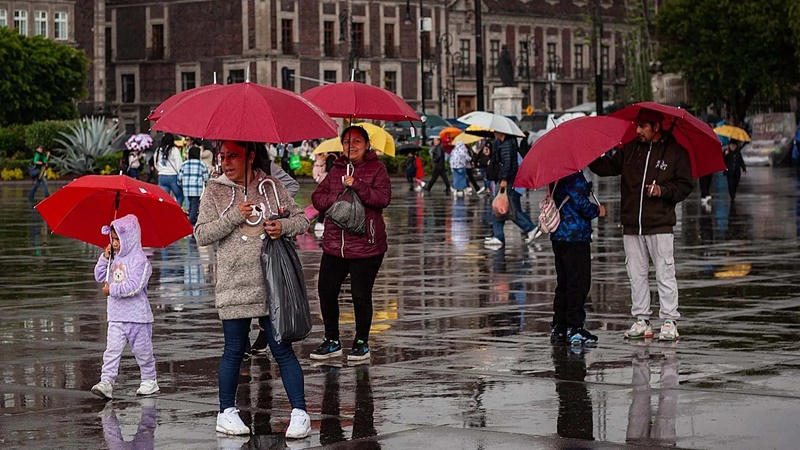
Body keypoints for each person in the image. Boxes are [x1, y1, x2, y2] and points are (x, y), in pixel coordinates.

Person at [194, 140, 311, 438]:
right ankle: (226, 412)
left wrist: (282, 227)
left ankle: (300, 412)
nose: (226, 162)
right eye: (222, 156)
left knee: (281, 348)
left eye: (233, 155)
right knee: (234, 349)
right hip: (234, 283)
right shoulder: (214, 190)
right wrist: (235, 215)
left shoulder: (271, 186)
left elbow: (301, 220)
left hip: (272, 282)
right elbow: (202, 234)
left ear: (250, 156)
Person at [589, 109, 693, 341]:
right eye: (637, 125)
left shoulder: (676, 153)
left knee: (665, 273)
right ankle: (641, 320)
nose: (638, 130)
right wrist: (590, 155)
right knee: (636, 275)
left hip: (660, 224)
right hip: (631, 225)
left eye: (643, 126)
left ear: (656, 127)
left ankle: (669, 320)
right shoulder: (630, 149)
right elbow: (608, 167)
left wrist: (662, 191)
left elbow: (685, 186)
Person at [310, 126, 392, 362]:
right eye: (346, 141)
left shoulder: (377, 168)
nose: (351, 145)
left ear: (367, 144)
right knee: (326, 292)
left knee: (360, 295)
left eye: (357, 141)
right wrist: (338, 198)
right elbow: (317, 198)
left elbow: (382, 199)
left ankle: (361, 342)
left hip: (367, 244)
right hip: (335, 244)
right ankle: (332, 340)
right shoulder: (336, 170)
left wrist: (357, 185)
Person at [91, 214, 159, 399]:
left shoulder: (141, 261)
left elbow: (135, 286)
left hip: (138, 316)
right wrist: (105, 259)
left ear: (129, 237)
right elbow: (99, 276)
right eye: (112, 239)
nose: (115, 243)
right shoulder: (112, 258)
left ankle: (149, 380)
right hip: (116, 316)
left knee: (143, 351)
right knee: (112, 351)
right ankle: (107, 381)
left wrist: (112, 289)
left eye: (118, 239)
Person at [548, 172, 605, 346]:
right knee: (578, 283)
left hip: (559, 236)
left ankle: (560, 325)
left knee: (564, 283)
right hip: (575, 236)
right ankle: (575, 327)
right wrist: (597, 210)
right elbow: (581, 203)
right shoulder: (573, 176)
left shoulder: (555, 176)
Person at [485, 131, 537, 248]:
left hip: (506, 181)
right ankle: (498, 235)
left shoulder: (507, 144)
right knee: (499, 208)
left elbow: (507, 164)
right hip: (505, 180)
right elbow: (499, 161)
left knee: (505, 209)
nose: (493, 133)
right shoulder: (501, 143)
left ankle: (530, 228)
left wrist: (504, 180)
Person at [178, 146, 210, 226]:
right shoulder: (201, 164)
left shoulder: (184, 164)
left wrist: (181, 184)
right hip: (196, 190)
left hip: (186, 190)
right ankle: (193, 223)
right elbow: (206, 178)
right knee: (194, 208)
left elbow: (179, 177)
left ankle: (192, 224)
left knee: (190, 207)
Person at [155, 133, 185, 208]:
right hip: (172, 176)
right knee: (180, 196)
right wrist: (180, 174)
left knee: (163, 198)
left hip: (162, 176)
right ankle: (177, 212)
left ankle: (164, 213)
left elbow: (156, 163)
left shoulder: (158, 150)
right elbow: (179, 164)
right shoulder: (174, 150)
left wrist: (160, 170)